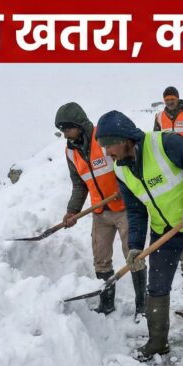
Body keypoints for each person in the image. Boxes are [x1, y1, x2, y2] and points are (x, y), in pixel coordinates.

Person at [96, 110, 183, 366]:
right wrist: (136, 246)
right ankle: (157, 342)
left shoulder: (165, 144)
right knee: (156, 288)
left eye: (109, 145)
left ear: (125, 139)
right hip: (164, 233)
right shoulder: (121, 170)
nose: (106, 152)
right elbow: (136, 211)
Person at [56, 102, 146, 318]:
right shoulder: (70, 152)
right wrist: (72, 210)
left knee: (133, 256)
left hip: (124, 206)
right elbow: (79, 183)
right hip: (100, 212)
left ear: (79, 123)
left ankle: (142, 306)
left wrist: (129, 191)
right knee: (101, 258)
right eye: (61, 130)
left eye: (67, 128)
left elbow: (127, 161)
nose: (65, 134)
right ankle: (107, 303)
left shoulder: (103, 137)